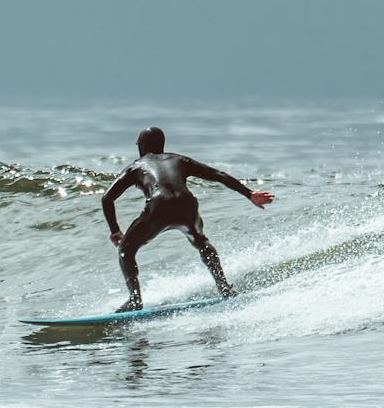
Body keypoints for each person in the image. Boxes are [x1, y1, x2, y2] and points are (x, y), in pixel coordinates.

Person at [101, 126, 275, 312]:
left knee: (126, 250)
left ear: (141, 146)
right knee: (201, 241)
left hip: (159, 206)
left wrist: (114, 230)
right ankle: (224, 287)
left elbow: (107, 198)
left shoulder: (136, 166)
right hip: (187, 205)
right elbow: (218, 175)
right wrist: (249, 194)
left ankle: (135, 299)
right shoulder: (179, 159)